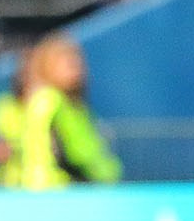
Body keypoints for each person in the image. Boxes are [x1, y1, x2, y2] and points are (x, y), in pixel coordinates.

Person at [7, 35, 121, 188]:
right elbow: (45, 151)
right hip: (60, 192)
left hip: (87, 188)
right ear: (49, 66)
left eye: (77, 62)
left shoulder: (75, 104)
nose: (77, 69)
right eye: (68, 64)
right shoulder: (48, 100)